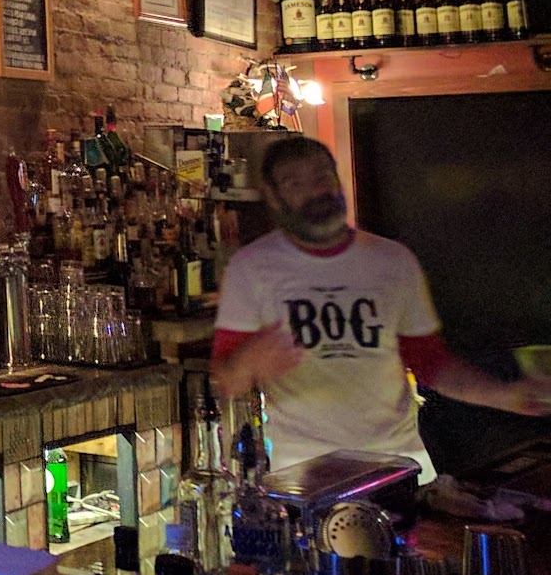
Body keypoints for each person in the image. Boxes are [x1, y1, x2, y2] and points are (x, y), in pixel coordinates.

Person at [212, 134, 551, 477]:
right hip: (306, 473)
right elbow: (227, 381)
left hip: (399, 461)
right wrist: (249, 361)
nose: (316, 190)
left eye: (322, 176)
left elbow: (431, 364)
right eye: (294, 183)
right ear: (273, 197)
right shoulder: (249, 268)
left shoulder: (393, 261)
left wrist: (504, 396)